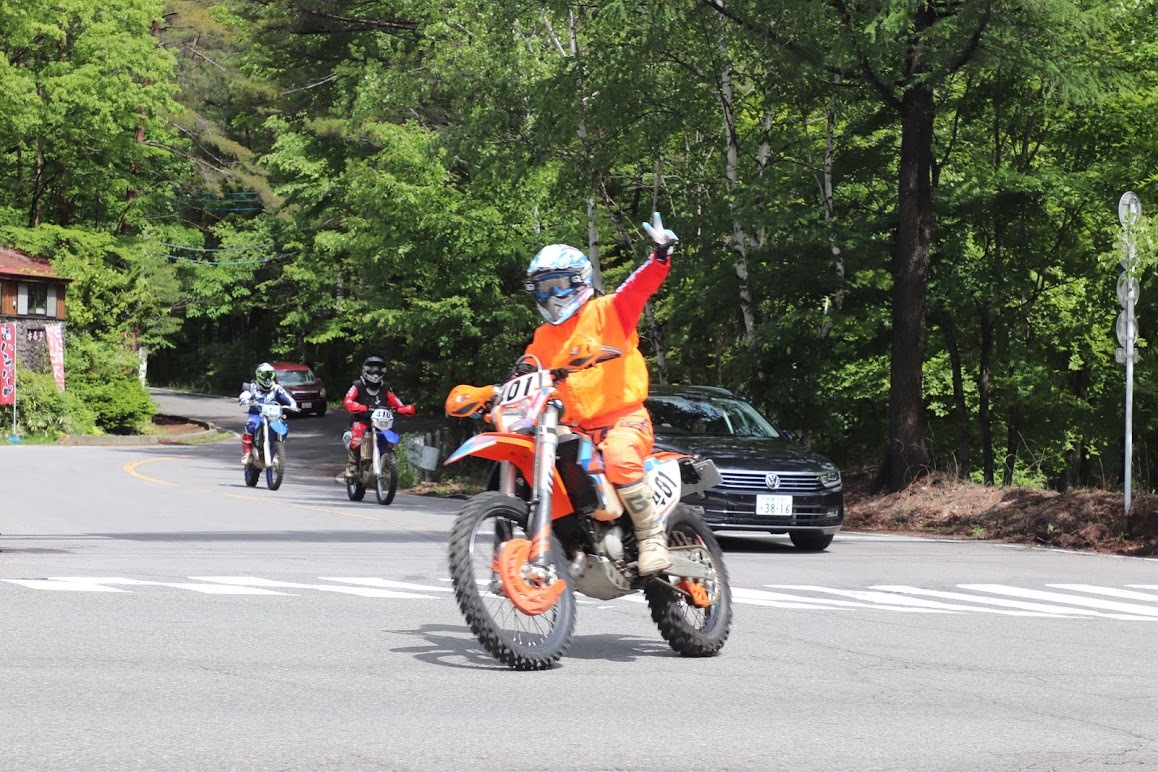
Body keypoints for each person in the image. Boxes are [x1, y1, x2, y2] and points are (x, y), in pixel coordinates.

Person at [521, 211, 678, 574]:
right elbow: (530, 370)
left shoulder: (610, 311)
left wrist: (659, 256)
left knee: (621, 456)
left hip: (624, 420)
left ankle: (651, 535)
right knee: (540, 454)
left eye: (559, 284)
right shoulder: (543, 337)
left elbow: (638, 287)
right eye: (544, 287)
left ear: (579, 282)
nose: (552, 294)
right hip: (574, 428)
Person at [343, 356, 416, 478]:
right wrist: (360, 407)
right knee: (356, 437)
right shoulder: (357, 386)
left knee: (391, 438)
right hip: (362, 421)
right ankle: (353, 464)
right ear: (365, 369)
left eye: (378, 369)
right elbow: (348, 400)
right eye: (372, 368)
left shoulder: (386, 388)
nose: (375, 372)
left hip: (381, 423)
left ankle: (388, 463)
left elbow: (397, 402)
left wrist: (404, 408)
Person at [239, 362, 298, 465]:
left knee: (282, 428)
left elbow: (287, 397)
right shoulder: (253, 387)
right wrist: (244, 398)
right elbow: (246, 394)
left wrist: (293, 405)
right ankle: (247, 453)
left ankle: (276, 451)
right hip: (257, 415)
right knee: (250, 426)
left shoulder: (276, 388)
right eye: (264, 374)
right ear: (258, 375)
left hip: (273, 416)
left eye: (270, 374)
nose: (267, 377)